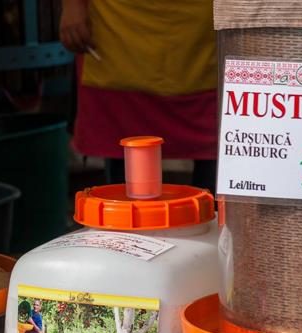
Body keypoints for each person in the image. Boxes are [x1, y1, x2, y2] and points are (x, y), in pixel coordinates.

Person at [59, 0, 218, 192]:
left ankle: (214, 210)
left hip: (203, 29)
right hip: (117, 24)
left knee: (218, 158)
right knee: (122, 161)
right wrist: (72, 6)